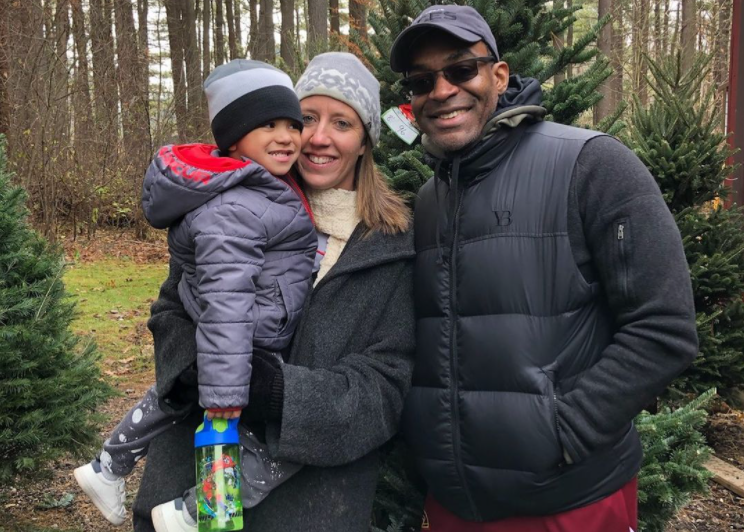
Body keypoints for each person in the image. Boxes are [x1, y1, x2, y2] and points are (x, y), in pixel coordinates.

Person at [389, 6, 698, 532]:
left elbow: (664, 327)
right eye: (422, 81)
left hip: (571, 502)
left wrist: (564, 432)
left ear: (499, 76)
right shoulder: (427, 202)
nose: (441, 91)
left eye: (461, 70)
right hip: (454, 505)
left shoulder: (591, 164)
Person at [131, 52, 416, 532]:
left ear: (366, 141)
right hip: (183, 493)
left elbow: (385, 386)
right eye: (306, 118)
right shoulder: (226, 205)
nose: (318, 137)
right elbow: (169, 313)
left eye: (342, 122)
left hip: (312, 510)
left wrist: (282, 394)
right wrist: (195, 370)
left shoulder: (391, 243)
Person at [73, 59, 317, 527]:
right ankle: (188, 512)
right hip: (248, 340)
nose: (287, 136)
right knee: (290, 440)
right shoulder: (237, 205)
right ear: (234, 136)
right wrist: (225, 388)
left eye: (292, 124)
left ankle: (110, 465)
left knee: (171, 398)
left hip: (240, 335)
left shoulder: (258, 187)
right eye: (268, 124)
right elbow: (227, 296)